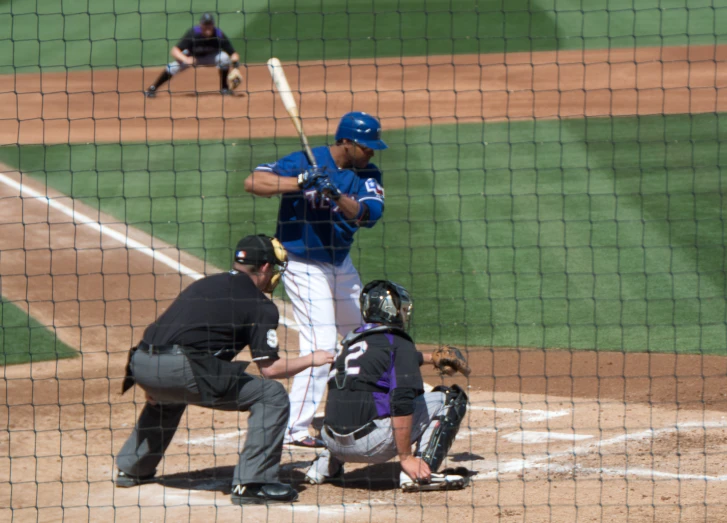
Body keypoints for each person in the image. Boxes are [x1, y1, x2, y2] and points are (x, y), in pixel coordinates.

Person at [115, 234, 334, 505]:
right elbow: (271, 369)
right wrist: (314, 358)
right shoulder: (260, 305)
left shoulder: (207, 283)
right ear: (265, 267)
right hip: (179, 368)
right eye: (274, 268)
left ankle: (132, 468)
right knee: (272, 395)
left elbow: (168, 330)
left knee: (173, 395)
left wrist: (155, 381)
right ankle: (253, 484)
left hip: (141, 362)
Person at [243, 111, 388, 448]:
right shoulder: (307, 160)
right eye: (366, 147)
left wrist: (335, 194)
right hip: (302, 264)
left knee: (366, 334)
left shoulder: (367, 173)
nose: (371, 153)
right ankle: (293, 428)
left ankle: (385, 401)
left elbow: (369, 215)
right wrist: (299, 182)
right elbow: (253, 182)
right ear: (347, 142)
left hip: (340, 264)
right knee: (321, 345)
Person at [304, 280, 472, 492]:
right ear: (390, 310)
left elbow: (381, 363)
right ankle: (419, 471)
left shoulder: (350, 342)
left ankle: (324, 466)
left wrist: (430, 358)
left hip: (331, 441)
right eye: (402, 309)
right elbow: (402, 401)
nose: (404, 314)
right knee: (450, 398)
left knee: (353, 394)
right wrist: (405, 457)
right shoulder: (399, 342)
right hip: (370, 446)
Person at [145, 12, 240, 97]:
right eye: (205, 24)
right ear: (201, 25)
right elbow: (174, 50)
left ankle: (224, 88)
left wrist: (235, 66)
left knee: (224, 58)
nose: (207, 27)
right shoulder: (193, 34)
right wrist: (185, 59)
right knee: (172, 67)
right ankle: (153, 88)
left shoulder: (218, 34)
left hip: (211, 58)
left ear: (213, 25)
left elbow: (233, 53)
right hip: (193, 58)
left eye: (209, 24)